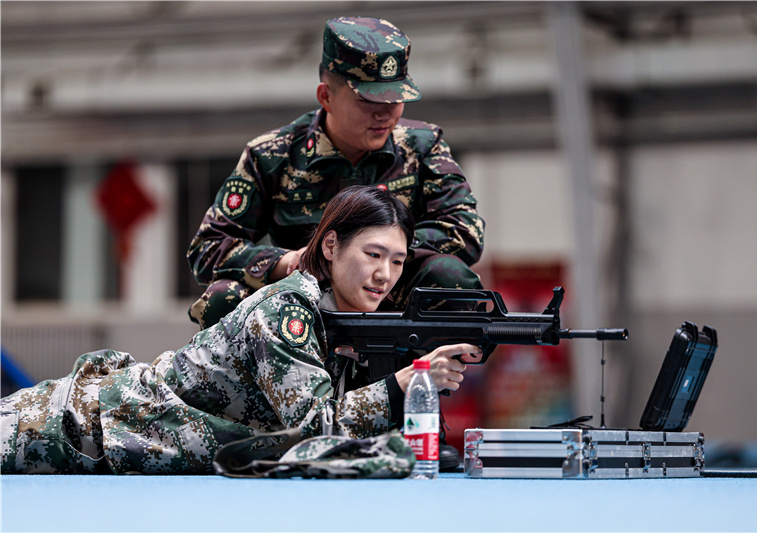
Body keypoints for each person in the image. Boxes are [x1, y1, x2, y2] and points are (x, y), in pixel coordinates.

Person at [1, 186, 482, 475]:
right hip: (73, 427)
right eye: (373, 255)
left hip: (111, 434)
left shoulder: (336, 317)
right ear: (331, 246)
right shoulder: (287, 311)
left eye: (397, 262)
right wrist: (404, 384)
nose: (385, 274)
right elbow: (315, 429)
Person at [186, 16, 485, 331]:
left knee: (450, 278)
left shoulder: (422, 147)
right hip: (305, 300)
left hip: (392, 296)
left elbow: (464, 231)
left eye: (397, 98)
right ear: (326, 96)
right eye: (369, 99)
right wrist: (286, 263)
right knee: (223, 297)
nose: (386, 113)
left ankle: (425, 377)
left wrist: (382, 253)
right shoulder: (272, 155)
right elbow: (207, 249)